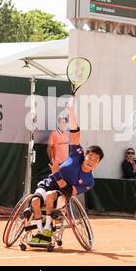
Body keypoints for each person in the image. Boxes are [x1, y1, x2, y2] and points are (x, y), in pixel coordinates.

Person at [28, 98, 104, 245]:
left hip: (61, 194)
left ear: (97, 164)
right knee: (35, 200)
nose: (91, 160)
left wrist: (56, 173)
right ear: (84, 155)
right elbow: (75, 134)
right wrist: (71, 111)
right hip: (48, 184)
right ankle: (39, 230)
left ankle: (47, 230)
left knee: (51, 196)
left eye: (95, 159)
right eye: (90, 156)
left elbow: (69, 191)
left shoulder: (89, 181)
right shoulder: (77, 155)